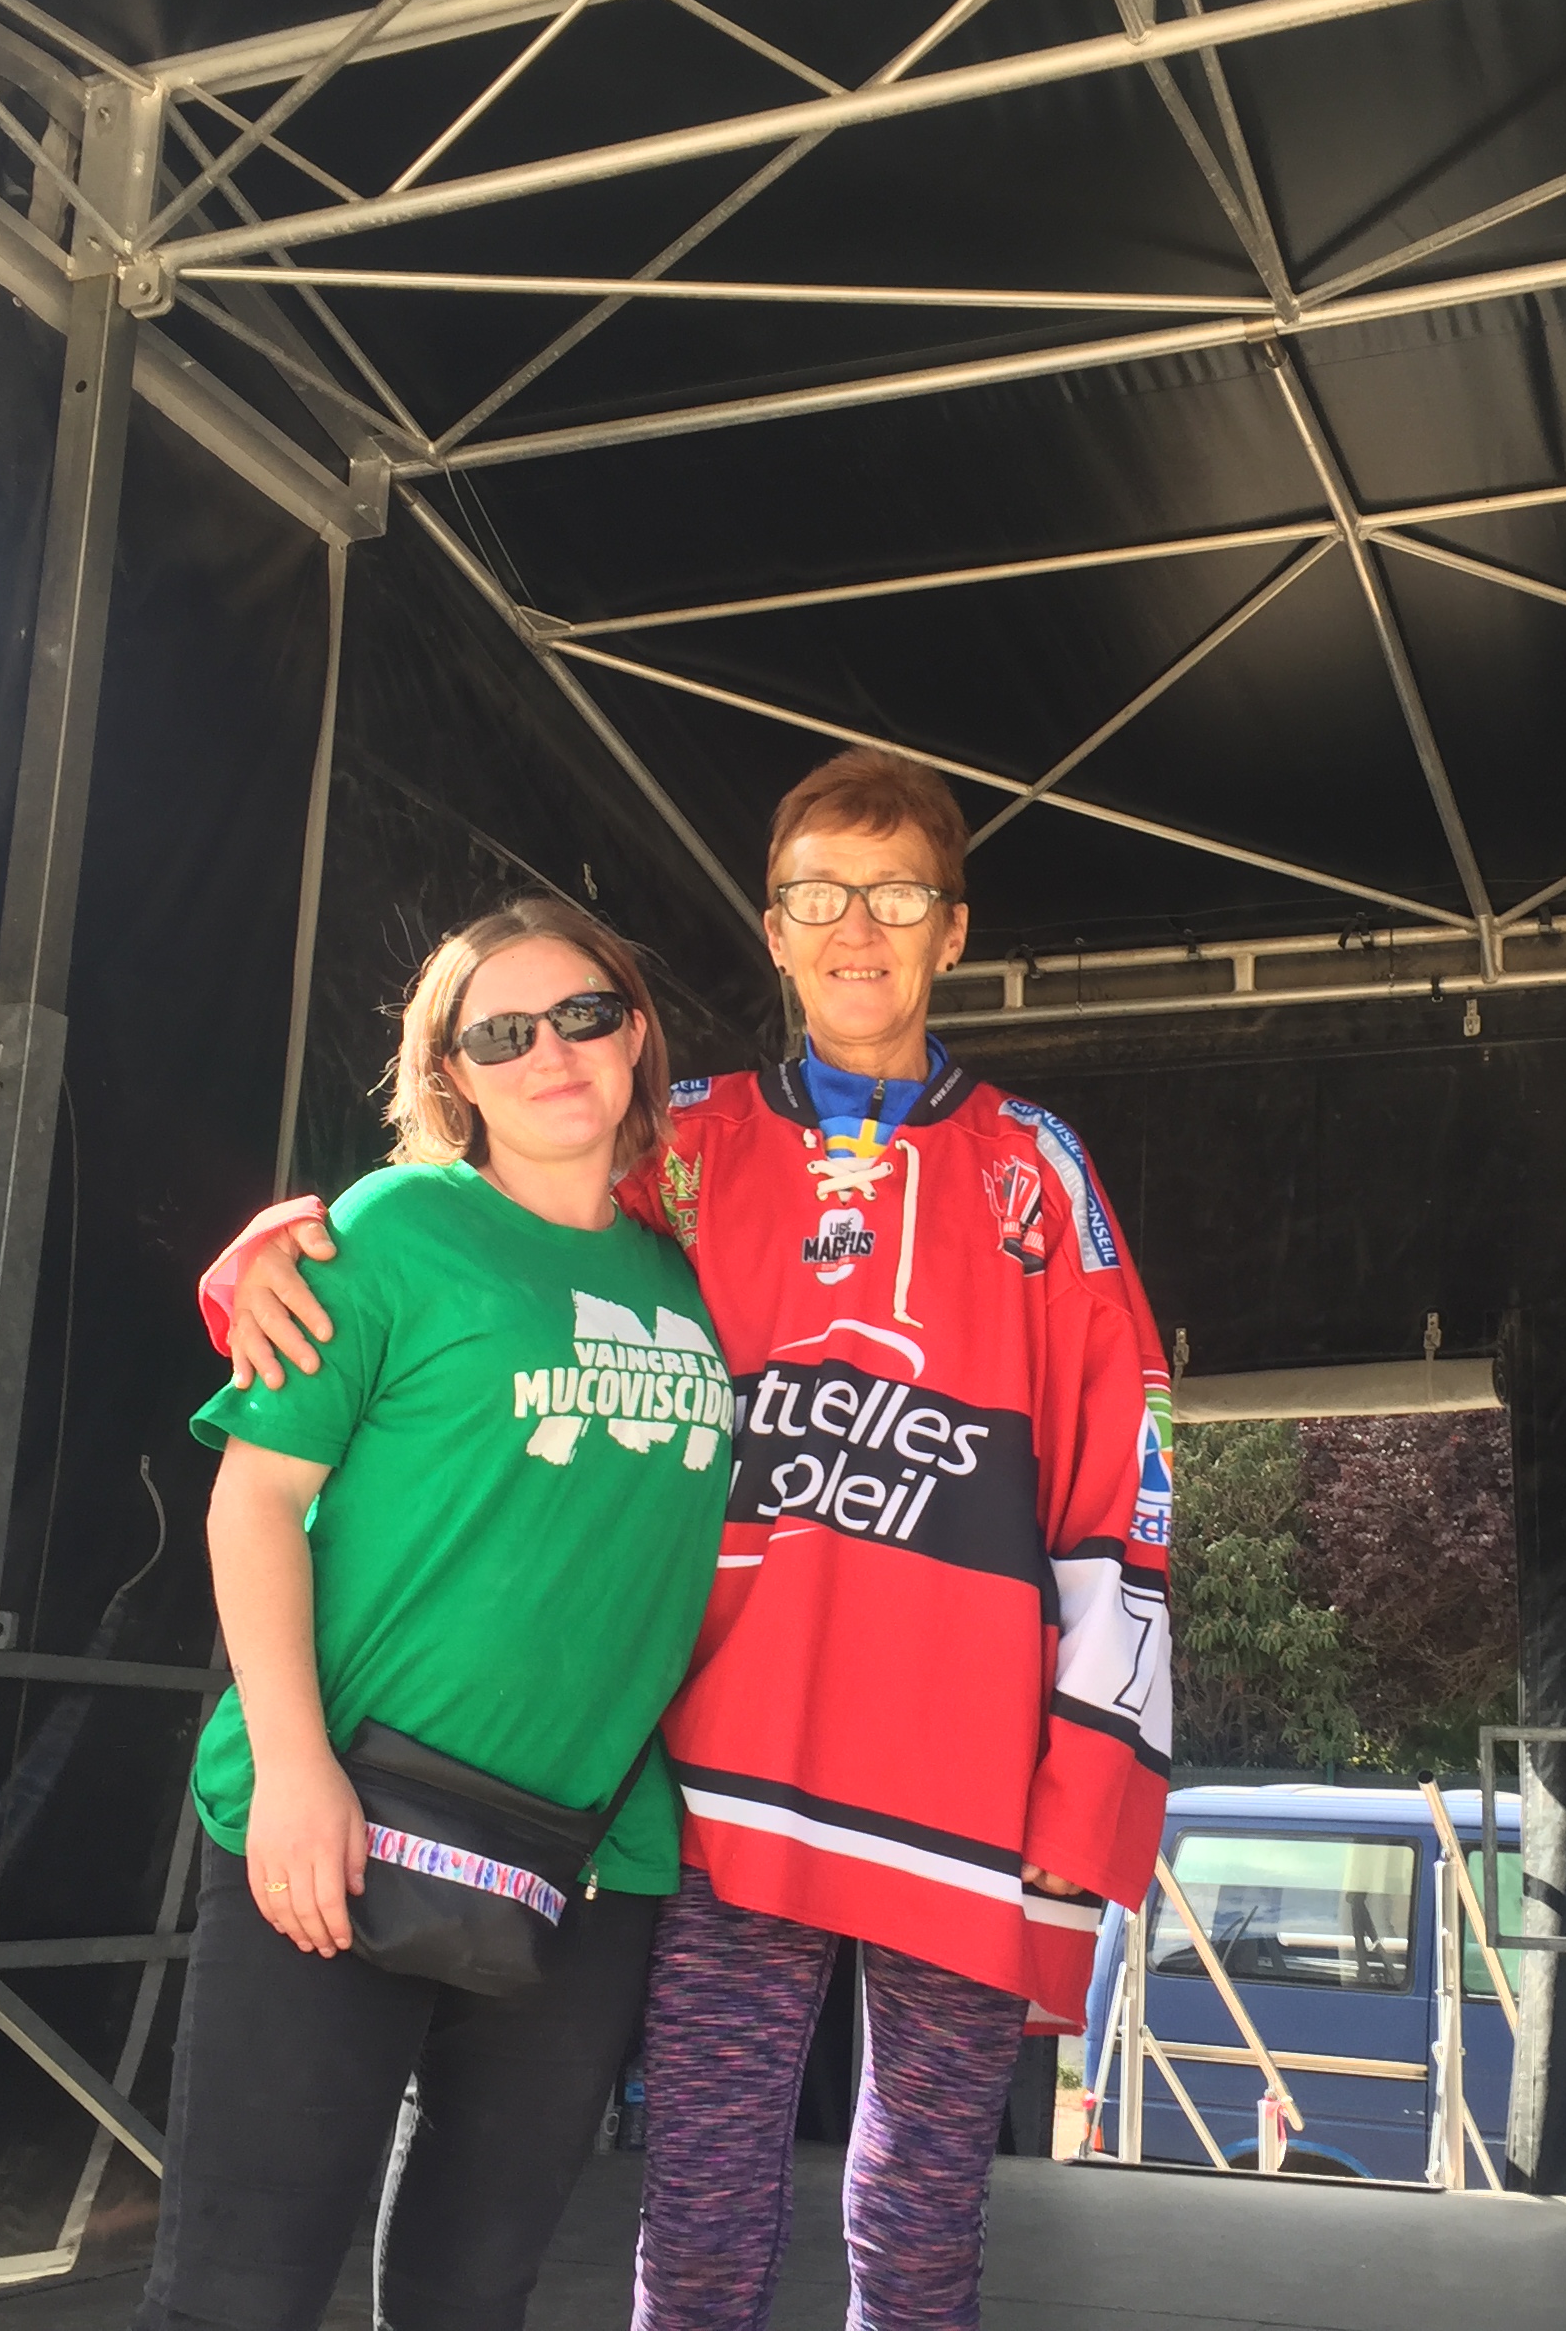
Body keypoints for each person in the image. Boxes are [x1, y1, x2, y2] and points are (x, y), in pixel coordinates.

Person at [206, 750, 1175, 2330]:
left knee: (920, 2220)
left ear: (953, 929)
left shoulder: (1039, 1172)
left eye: (898, 896)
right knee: (705, 2204)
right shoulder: (687, 1148)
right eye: (818, 896)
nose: (857, 928)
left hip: (967, 1775)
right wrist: (272, 1248)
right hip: (729, 1774)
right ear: (771, 932)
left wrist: (1089, 1776)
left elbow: (1120, 1474)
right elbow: (501, 1224)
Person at [137, 896, 730, 2331]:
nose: (551, 1053)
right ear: (450, 1073)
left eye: (583, 1015)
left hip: (587, 1858)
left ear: (636, 1033)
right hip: (341, 1820)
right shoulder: (392, 1229)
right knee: (236, 2300)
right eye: (502, 1033)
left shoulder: (702, 1271)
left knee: (474, 2297)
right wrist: (294, 1771)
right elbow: (253, 1503)